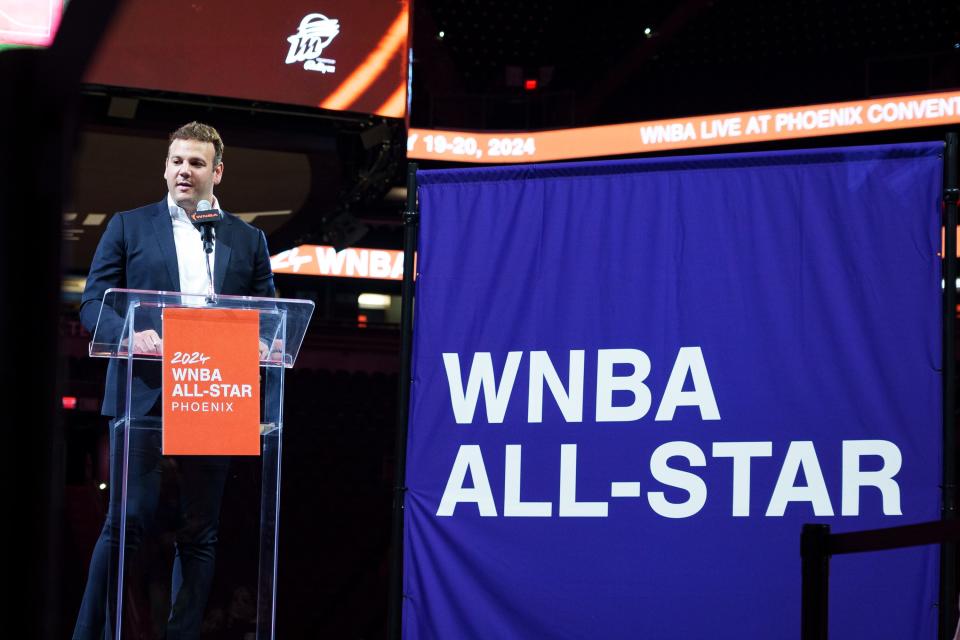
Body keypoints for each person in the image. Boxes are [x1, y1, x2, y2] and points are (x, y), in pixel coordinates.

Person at [74, 121, 275, 639]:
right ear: (165, 167)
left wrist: (261, 343)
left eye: (197, 163)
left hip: (214, 391)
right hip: (145, 389)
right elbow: (93, 302)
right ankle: (88, 632)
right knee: (126, 522)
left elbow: (270, 315)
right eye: (177, 161)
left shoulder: (246, 240)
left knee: (200, 533)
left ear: (218, 172)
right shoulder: (128, 225)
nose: (185, 171)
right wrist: (128, 335)